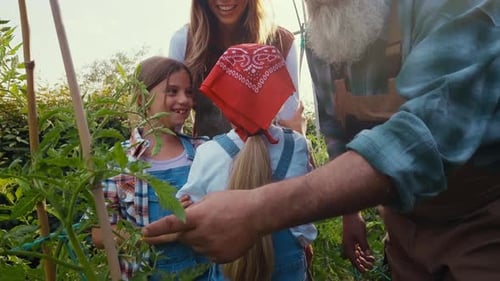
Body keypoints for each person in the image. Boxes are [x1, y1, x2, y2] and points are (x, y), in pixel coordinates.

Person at [143, 1, 500, 281]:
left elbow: (433, 130)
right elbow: (337, 130)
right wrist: (351, 214)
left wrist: (259, 210)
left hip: (481, 222)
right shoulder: (326, 36)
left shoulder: (449, 5)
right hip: (404, 227)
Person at [175, 43, 317, 281]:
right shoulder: (298, 146)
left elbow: (189, 208)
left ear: (222, 100)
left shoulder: (209, 153)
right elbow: (306, 216)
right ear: (278, 95)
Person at [91, 56, 209, 280]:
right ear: (142, 98)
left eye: (189, 92)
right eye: (172, 91)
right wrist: (151, 235)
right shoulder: (116, 162)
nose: (185, 100)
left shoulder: (204, 150)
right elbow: (98, 234)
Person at [168, 0, 303, 137]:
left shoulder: (281, 42)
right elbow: (170, 118)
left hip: (268, 153)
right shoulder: (184, 41)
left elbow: (290, 120)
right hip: (207, 152)